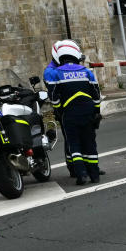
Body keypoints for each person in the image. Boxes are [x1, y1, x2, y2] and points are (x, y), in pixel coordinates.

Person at [44, 40, 102, 185]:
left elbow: (54, 96)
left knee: (73, 143)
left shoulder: (56, 73)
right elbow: (96, 94)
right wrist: (97, 112)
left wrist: (59, 109)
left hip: (69, 113)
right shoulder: (86, 72)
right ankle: (94, 174)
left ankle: (81, 173)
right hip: (88, 111)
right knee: (90, 142)